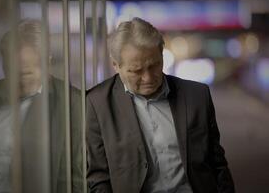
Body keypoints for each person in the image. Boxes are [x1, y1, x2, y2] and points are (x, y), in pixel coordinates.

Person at [86, 17, 235, 193]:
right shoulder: (97, 103)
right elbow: (98, 177)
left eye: (154, 65)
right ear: (116, 66)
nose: (148, 78)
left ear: (162, 54)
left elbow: (218, 165)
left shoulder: (197, 96)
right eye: (136, 70)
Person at [0, 19, 83, 193]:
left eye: (28, 72)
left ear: (47, 61)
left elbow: (76, 176)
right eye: (13, 71)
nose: (21, 80)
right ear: (4, 64)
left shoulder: (70, 101)